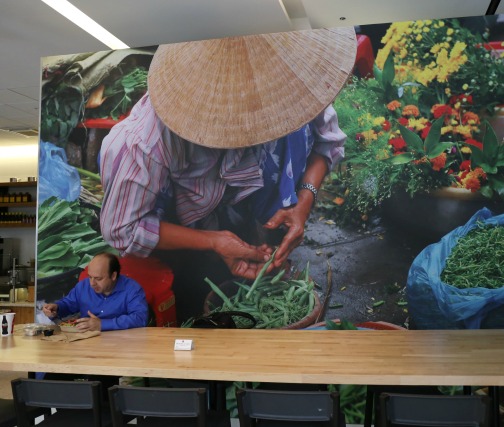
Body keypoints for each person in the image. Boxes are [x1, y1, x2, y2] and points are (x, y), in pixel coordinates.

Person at [98, 28, 357, 322]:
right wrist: (211, 241)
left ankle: (253, 222)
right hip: (180, 219)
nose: (252, 133)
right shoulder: (143, 143)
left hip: (242, 199)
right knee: (191, 288)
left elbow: (328, 141)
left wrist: (304, 199)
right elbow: (124, 228)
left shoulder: (291, 85)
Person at [43, 252, 148, 331]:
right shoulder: (83, 286)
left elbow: (140, 318)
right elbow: (68, 304)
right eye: (90, 277)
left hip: (121, 345)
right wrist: (56, 307)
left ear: (113, 276)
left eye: (98, 279)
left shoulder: (132, 289)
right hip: (87, 342)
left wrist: (102, 324)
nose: (92, 283)